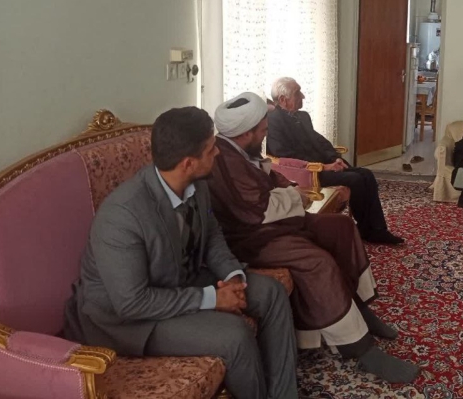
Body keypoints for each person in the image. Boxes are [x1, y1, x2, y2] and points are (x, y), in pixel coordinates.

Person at [63, 107, 298, 399]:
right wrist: (212, 298)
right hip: (130, 319)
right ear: (188, 163)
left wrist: (232, 275)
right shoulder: (122, 216)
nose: (218, 153)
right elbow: (132, 303)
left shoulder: (198, 184)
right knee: (234, 335)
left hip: (181, 278)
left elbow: (211, 234)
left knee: (271, 293)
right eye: (211, 149)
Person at [208, 93, 420, 384]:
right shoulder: (225, 159)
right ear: (246, 132)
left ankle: (358, 306)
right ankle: (361, 348)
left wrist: (289, 185)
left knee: (342, 228)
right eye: (262, 129)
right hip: (251, 237)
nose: (266, 132)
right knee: (317, 261)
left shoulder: (240, 148)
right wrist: (296, 196)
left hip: (275, 222)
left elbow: (268, 174)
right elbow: (257, 211)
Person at [266, 77, 404, 245]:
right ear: (282, 99)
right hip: (309, 172)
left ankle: (376, 230)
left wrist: (334, 158)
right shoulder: (273, 121)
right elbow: (284, 155)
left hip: (325, 165)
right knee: (356, 179)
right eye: (297, 93)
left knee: (366, 174)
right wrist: (324, 167)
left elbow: (320, 142)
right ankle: (368, 230)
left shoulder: (302, 116)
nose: (303, 96)